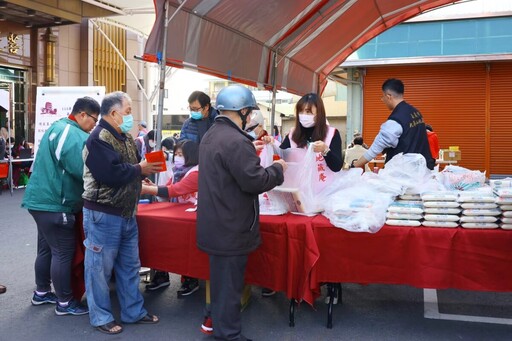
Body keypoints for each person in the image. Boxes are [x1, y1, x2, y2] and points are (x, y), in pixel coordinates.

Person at [197, 84, 287, 341]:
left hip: (216, 223)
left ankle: (216, 323)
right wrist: (278, 169)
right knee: (229, 286)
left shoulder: (213, 134)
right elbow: (255, 181)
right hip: (231, 226)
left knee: (221, 283)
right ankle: (228, 335)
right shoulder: (236, 141)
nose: (252, 118)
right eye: (251, 113)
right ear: (244, 111)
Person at [82, 91, 162, 335]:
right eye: (128, 112)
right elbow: (111, 174)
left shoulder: (125, 136)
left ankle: (133, 311)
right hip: (103, 213)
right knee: (99, 269)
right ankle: (101, 316)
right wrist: (139, 168)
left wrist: (142, 171)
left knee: (130, 266)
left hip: (127, 211)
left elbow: (133, 166)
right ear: (114, 113)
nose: (130, 117)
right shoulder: (98, 138)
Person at [21, 96, 100, 316]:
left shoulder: (57, 127)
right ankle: (65, 302)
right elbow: (82, 171)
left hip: (41, 202)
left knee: (46, 249)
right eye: (94, 119)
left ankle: (42, 292)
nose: (94, 124)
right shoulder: (73, 134)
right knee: (63, 253)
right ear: (82, 114)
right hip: (56, 203)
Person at [142, 139, 200, 294]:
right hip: (175, 215)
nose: (177, 157)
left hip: (192, 219)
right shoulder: (176, 172)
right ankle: (161, 274)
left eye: (181, 154)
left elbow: (175, 190)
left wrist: (147, 189)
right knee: (160, 239)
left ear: (191, 155)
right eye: (176, 154)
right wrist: (152, 186)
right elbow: (168, 187)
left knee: (187, 247)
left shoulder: (196, 172)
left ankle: (191, 279)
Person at [353, 78, 434, 170]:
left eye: (382, 96)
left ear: (388, 96)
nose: (382, 99)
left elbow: (373, 151)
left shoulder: (395, 121)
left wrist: (354, 165)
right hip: (421, 170)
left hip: (404, 175)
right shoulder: (415, 112)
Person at [279, 93, 343, 193]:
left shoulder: (332, 134)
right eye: (301, 111)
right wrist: (271, 143)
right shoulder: (292, 135)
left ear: (319, 113)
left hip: (324, 194)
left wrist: (325, 151)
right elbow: (280, 157)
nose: (304, 115)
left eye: (308, 111)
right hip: (298, 194)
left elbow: (337, 167)